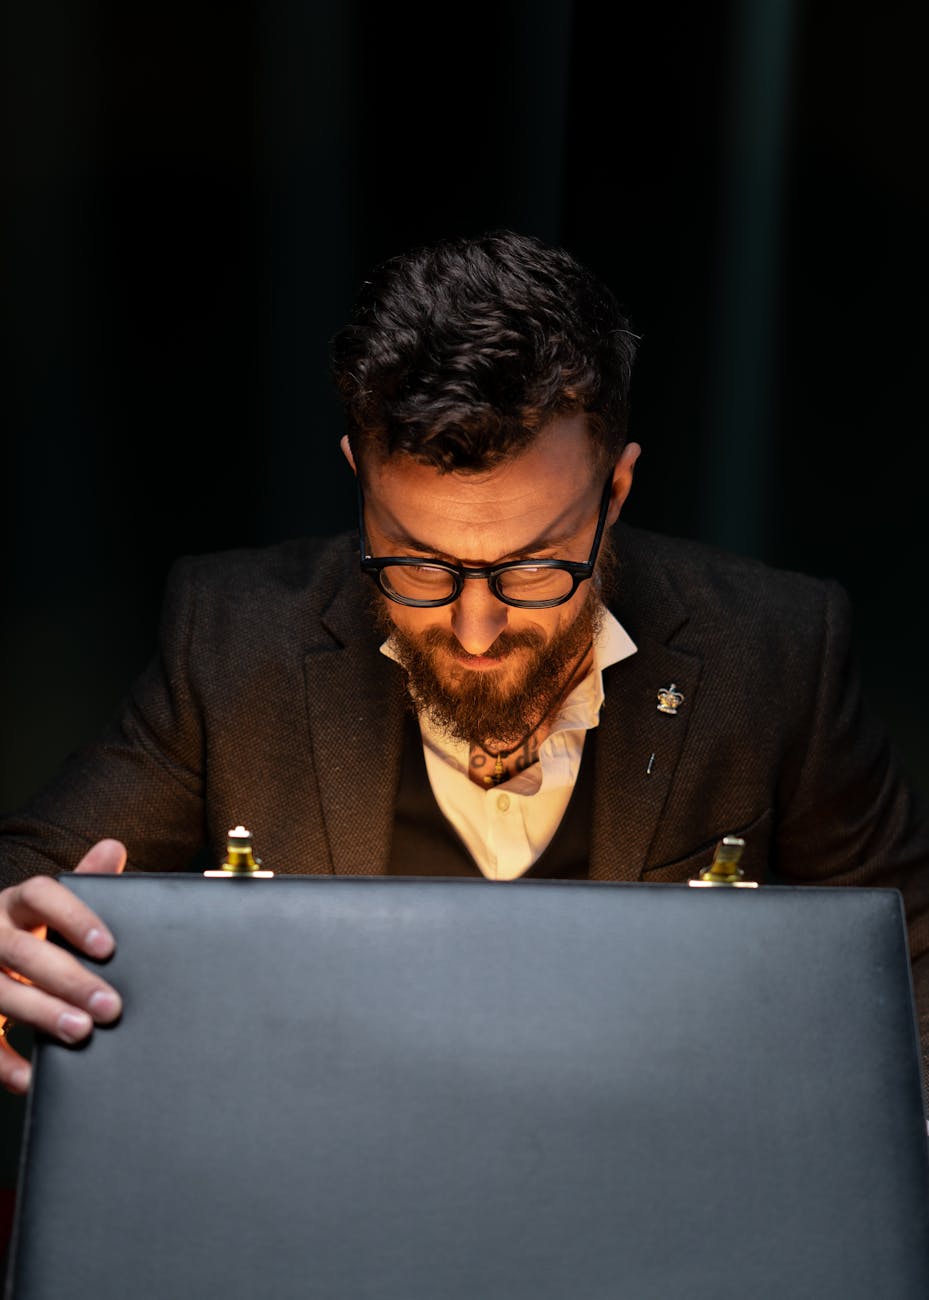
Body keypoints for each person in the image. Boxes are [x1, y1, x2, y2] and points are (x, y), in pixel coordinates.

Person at [1, 231, 928, 1098]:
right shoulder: (233, 638)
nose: (475, 628)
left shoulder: (777, 649)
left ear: (616, 489)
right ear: (356, 476)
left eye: (533, 565)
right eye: (417, 564)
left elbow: (909, 955)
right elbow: (34, 875)